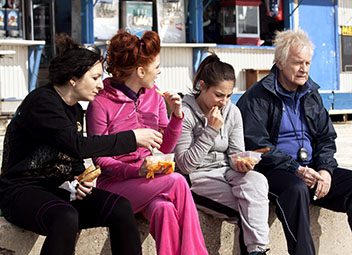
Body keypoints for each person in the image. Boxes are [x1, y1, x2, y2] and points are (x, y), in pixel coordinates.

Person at [0, 34, 163, 255]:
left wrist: (79, 180)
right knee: (66, 216)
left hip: (58, 189)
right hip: (21, 191)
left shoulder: (75, 108)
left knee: (120, 207)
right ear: (73, 79)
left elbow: (72, 157)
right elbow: (78, 145)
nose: (100, 85)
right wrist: (132, 138)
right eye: (95, 78)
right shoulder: (42, 103)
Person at [85, 30, 208, 255]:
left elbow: (164, 148)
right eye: (156, 67)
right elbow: (100, 159)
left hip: (151, 181)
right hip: (114, 186)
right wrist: (136, 171)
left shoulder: (155, 96)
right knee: (178, 182)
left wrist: (177, 116)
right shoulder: (100, 104)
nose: (159, 71)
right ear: (141, 71)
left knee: (165, 210)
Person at [236, 28, 352, 255]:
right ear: (280, 62)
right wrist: (295, 169)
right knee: (296, 189)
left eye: (308, 63)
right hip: (275, 171)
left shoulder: (311, 93)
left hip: (313, 171)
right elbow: (257, 145)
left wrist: (326, 169)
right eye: (298, 63)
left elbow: (326, 138)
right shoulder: (257, 96)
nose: (304, 69)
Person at [174, 53, 270, 255]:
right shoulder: (185, 113)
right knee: (249, 213)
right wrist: (210, 131)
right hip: (196, 177)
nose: (224, 102)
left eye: (229, 95)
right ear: (202, 86)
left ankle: (258, 251)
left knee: (257, 180)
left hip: (226, 172)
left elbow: (235, 154)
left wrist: (242, 163)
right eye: (219, 95)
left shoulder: (232, 112)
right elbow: (185, 165)